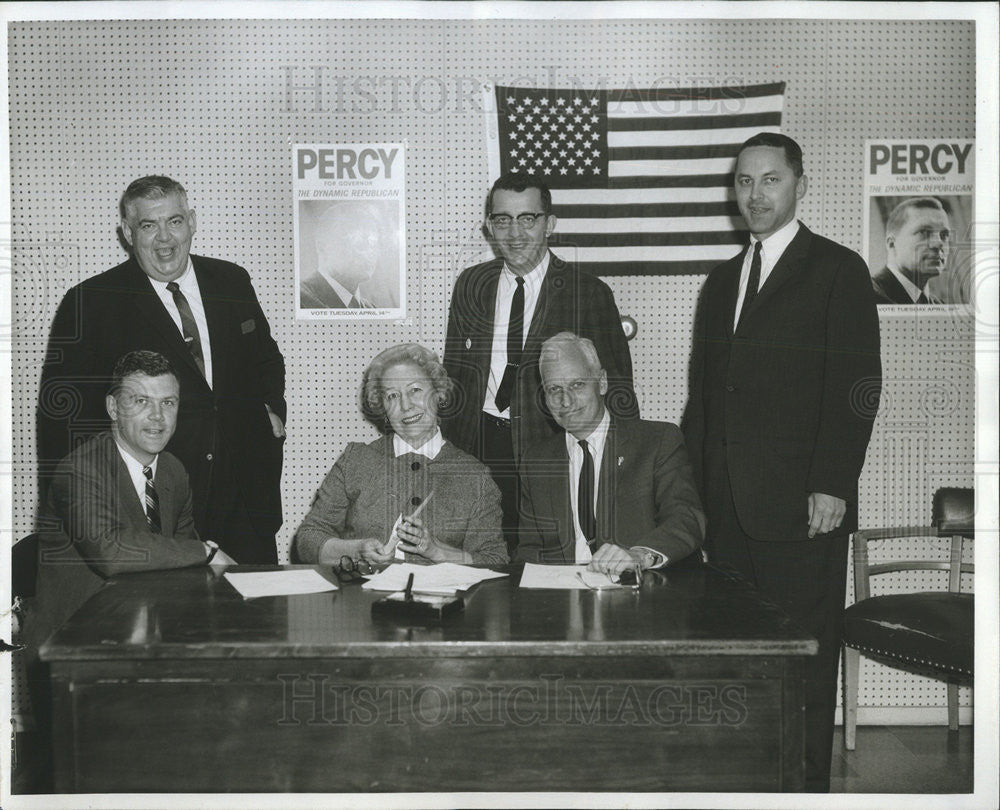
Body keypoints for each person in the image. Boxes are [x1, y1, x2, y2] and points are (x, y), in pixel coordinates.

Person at [683, 133, 882, 792]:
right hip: (727, 512)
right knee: (736, 663)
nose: (755, 195)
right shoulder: (720, 282)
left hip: (803, 508)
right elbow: (705, 400)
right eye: (744, 181)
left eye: (770, 180)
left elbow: (857, 388)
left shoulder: (838, 269)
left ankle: (802, 794)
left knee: (804, 664)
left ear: (800, 183)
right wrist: (693, 498)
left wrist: (832, 483)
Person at [37, 176, 286, 564]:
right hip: (157, 505)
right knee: (167, 621)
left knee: (259, 618)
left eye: (174, 221)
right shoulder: (91, 302)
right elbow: (61, 417)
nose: (164, 239)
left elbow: (266, 358)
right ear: (127, 232)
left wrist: (272, 411)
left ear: (192, 221)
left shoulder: (232, 281)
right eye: (148, 226)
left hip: (246, 498)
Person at [24, 351, 234, 790]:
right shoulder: (78, 471)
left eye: (169, 402)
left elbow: (183, 560)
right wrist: (207, 551)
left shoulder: (173, 472)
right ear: (112, 407)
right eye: (141, 401)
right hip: (75, 659)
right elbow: (113, 552)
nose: (158, 417)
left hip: (143, 644)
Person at [442, 172, 638, 556]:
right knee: (477, 566)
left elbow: (617, 392)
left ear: (549, 224)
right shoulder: (470, 284)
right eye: (503, 219)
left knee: (542, 567)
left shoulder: (589, 292)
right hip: (478, 450)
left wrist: (619, 478)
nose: (514, 233)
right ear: (488, 227)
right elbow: (454, 379)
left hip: (551, 450)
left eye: (527, 219)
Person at [294, 344, 508, 568]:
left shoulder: (474, 475)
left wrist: (438, 552)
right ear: (384, 408)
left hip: (441, 599)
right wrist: (356, 550)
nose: (406, 406)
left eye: (415, 390)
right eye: (392, 396)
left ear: (438, 393)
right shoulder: (356, 460)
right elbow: (308, 540)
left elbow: (496, 560)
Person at [518, 333, 704, 575]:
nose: (566, 400)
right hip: (561, 602)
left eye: (577, 384)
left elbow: (686, 519)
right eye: (554, 389)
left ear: (602, 382)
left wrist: (640, 555)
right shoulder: (536, 461)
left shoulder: (657, 441)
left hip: (641, 596)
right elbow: (530, 552)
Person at [300, 202, 382, 309]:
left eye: (372, 242)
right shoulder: (301, 301)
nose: (367, 251)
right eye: (353, 238)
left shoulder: (371, 309)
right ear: (322, 248)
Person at [871, 196, 951, 304]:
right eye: (924, 232)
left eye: (944, 235)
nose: (939, 243)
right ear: (891, 244)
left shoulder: (940, 305)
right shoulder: (868, 295)